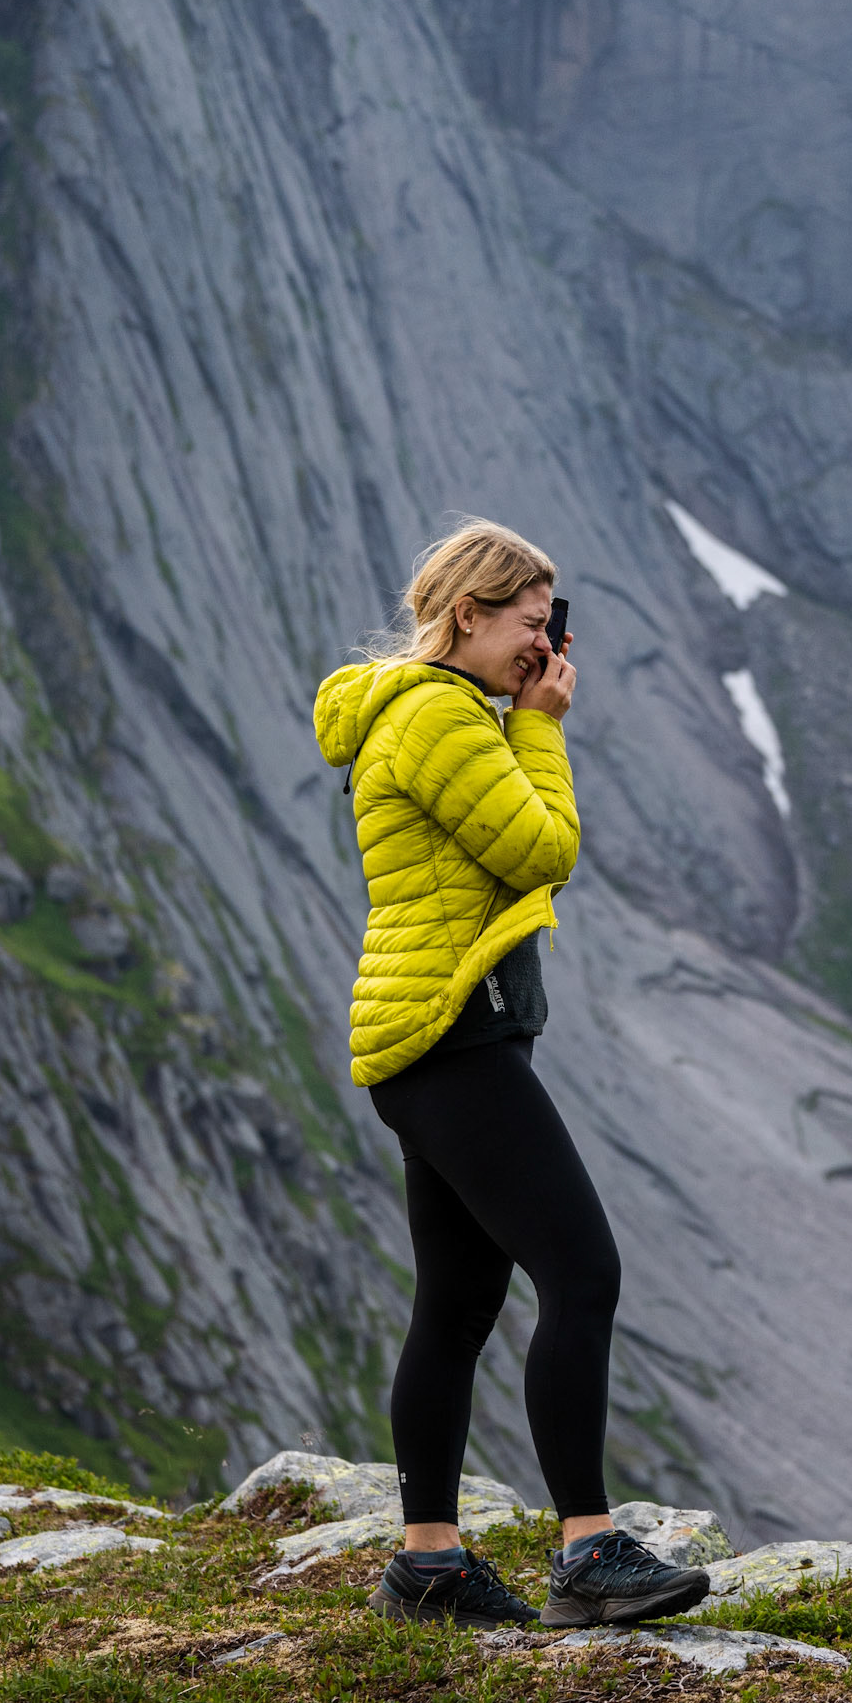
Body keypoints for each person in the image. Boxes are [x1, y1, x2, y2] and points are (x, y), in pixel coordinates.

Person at [314, 518, 711, 1631]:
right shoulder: (441, 715)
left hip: (443, 1041)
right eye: (531, 625)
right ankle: (587, 1547)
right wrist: (542, 730)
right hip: (455, 1042)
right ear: (468, 615)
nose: (543, 648)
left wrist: (519, 710)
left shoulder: (436, 711)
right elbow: (543, 850)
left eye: (550, 628)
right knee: (581, 1270)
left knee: (458, 1303)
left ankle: (428, 1564)